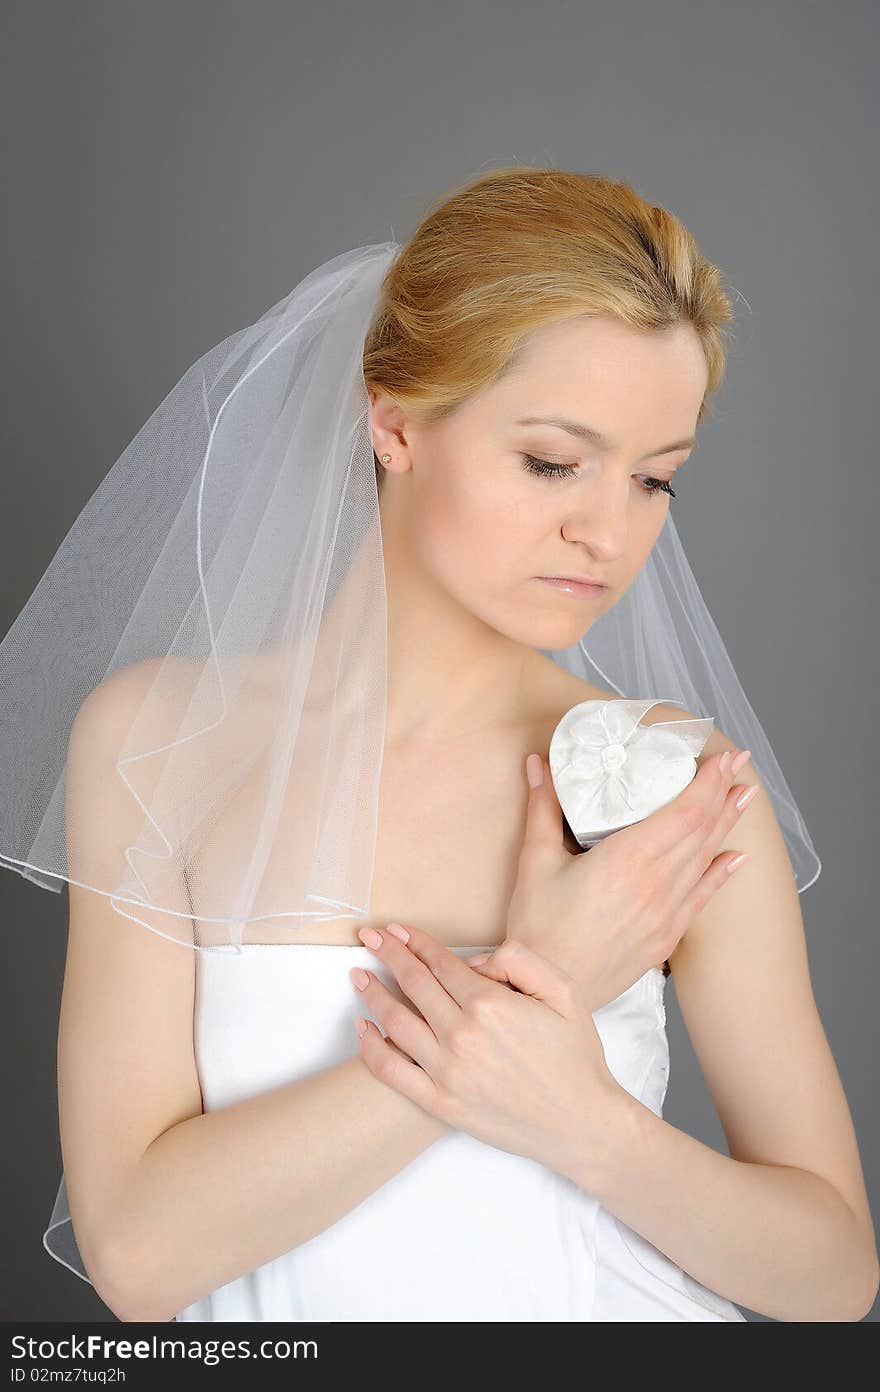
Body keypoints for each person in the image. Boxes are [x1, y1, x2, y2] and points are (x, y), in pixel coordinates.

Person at [11, 166, 878, 1322]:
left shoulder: (667, 789)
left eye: (656, 479)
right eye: (552, 461)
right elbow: (138, 1259)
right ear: (396, 421)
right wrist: (542, 984)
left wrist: (590, 1125)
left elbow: (832, 1276)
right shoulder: (158, 742)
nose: (607, 531)